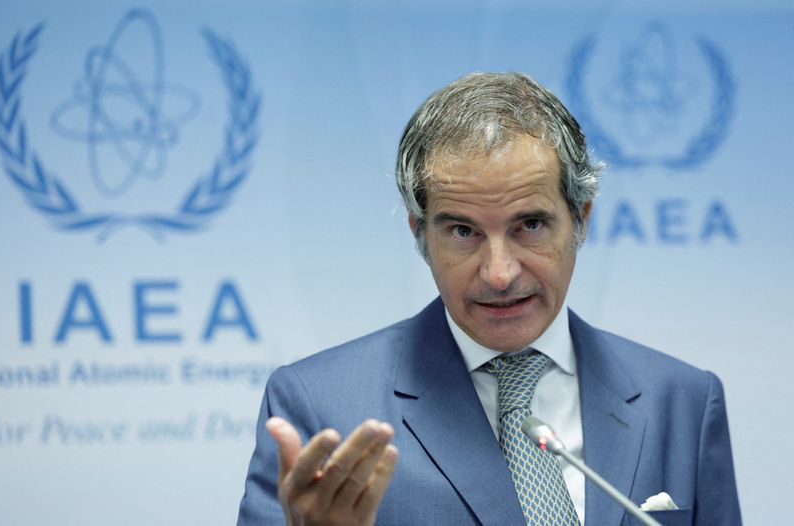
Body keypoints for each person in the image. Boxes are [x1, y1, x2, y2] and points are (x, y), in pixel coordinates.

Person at [237, 72, 741, 525]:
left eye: (531, 225)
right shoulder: (319, 406)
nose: (499, 274)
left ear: (582, 219)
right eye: (462, 231)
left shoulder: (683, 401)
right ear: (420, 234)